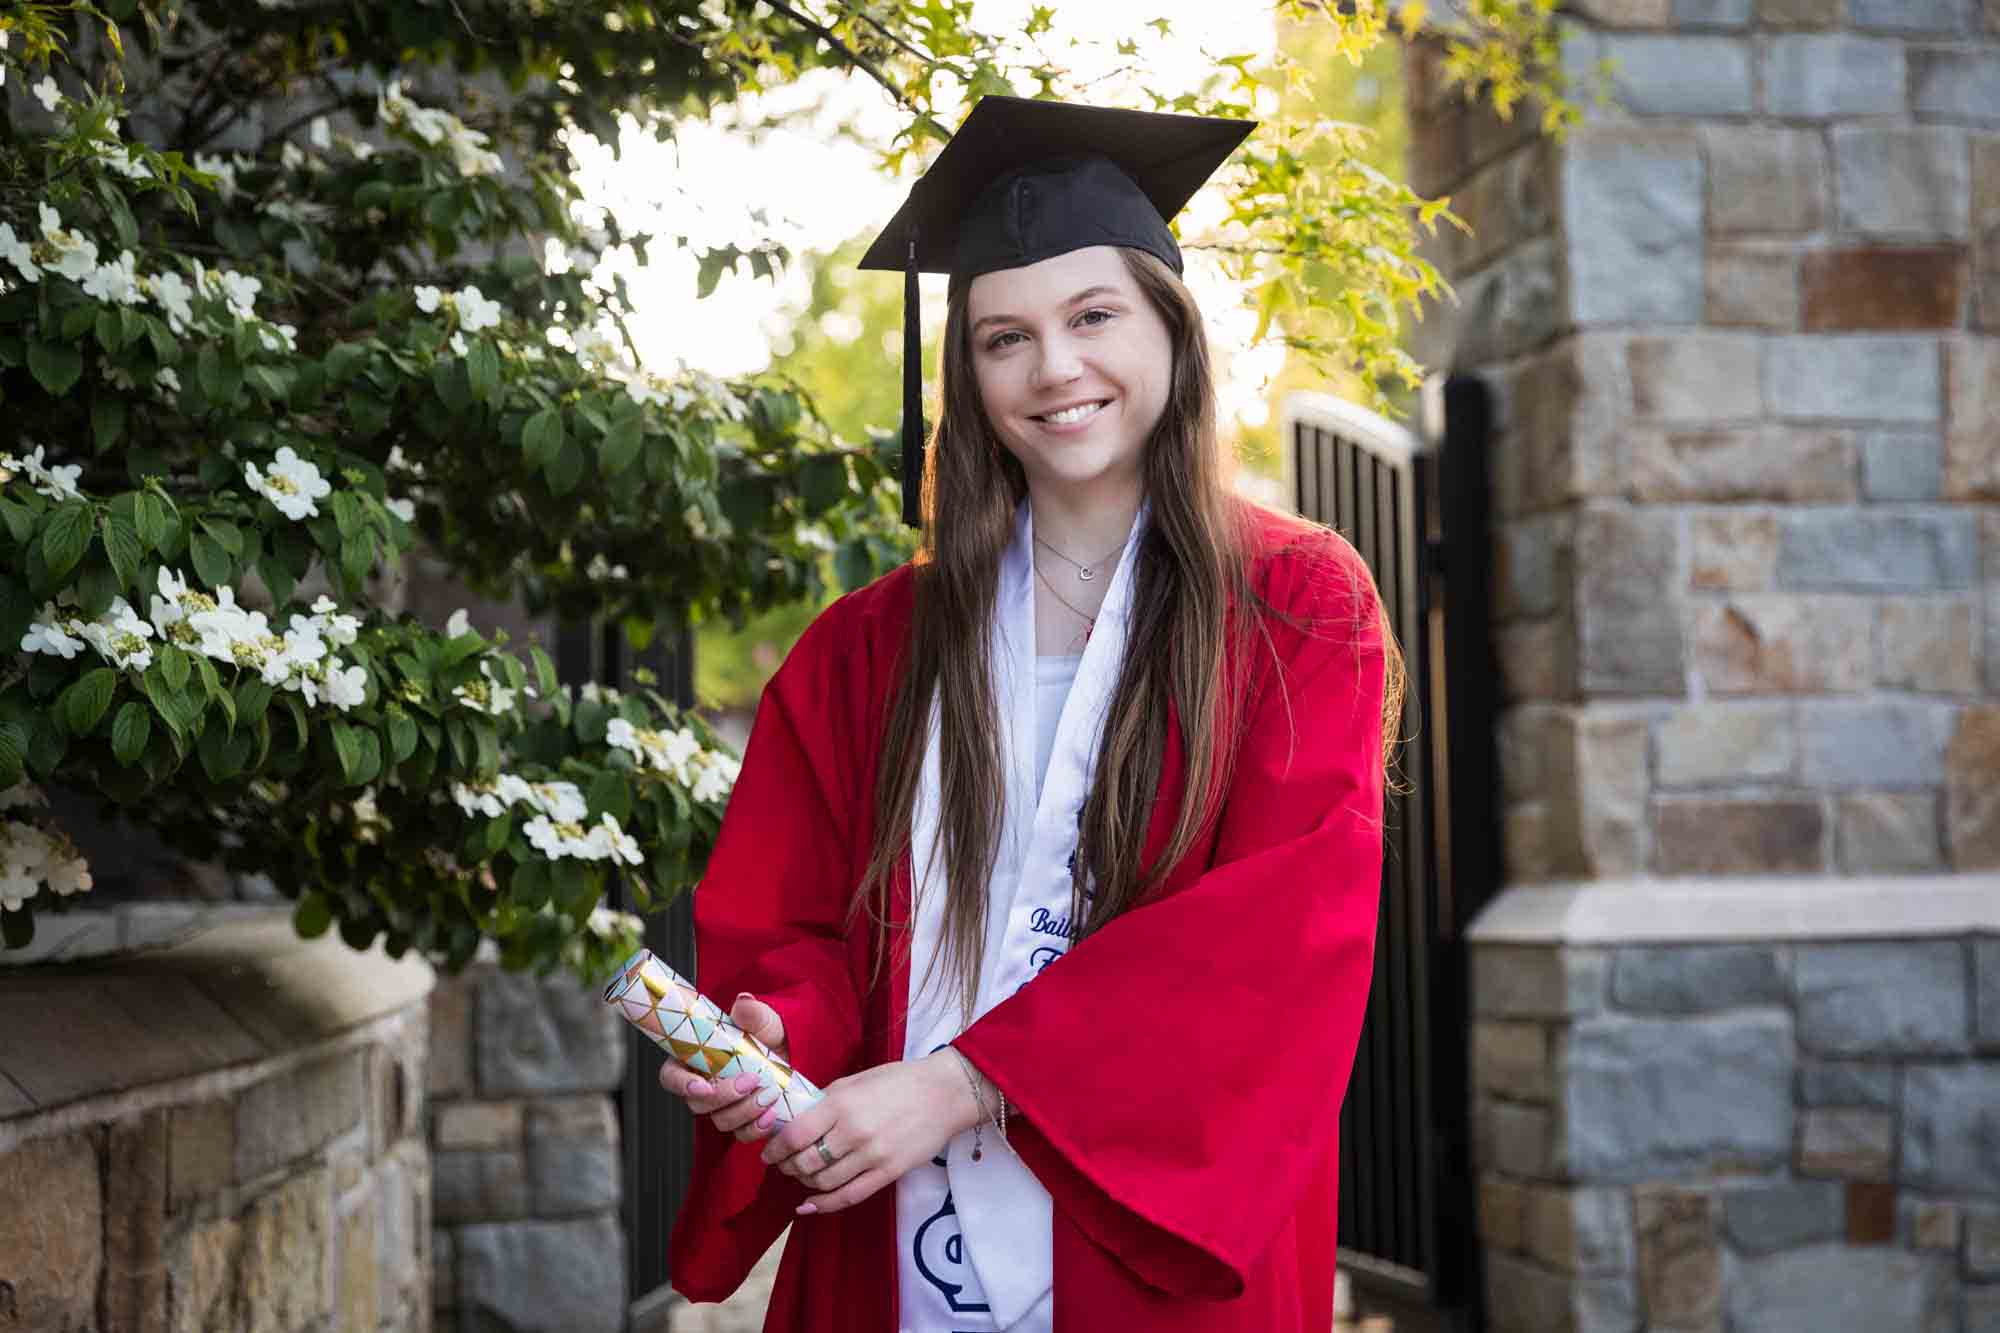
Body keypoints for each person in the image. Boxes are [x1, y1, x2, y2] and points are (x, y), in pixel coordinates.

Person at [655, 95, 1401, 1332]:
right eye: (1004, 338)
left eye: (1093, 315)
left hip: (1140, 1255)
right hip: (895, 1236)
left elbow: (1275, 935)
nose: (1054, 368)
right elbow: (805, 927)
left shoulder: (1294, 603)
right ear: (968, 370)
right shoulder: (870, 646)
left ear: (1171, 327)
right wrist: (773, 1034)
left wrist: (964, 1082)